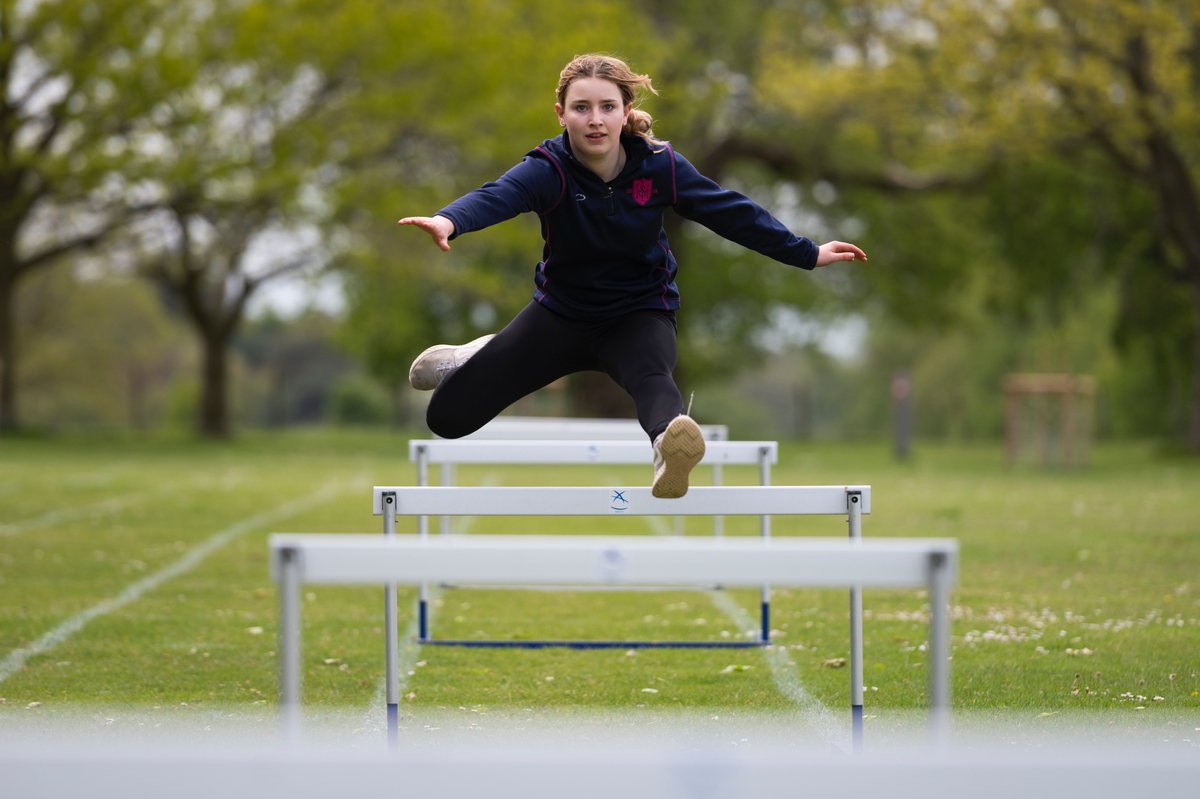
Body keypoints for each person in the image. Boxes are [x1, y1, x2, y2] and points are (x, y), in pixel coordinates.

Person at [399, 53, 866, 498]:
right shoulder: (548, 170)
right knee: (448, 419)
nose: (595, 119)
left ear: (626, 112)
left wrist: (807, 253)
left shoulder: (659, 166)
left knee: (653, 378)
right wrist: (449, 221)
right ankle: (477, 354)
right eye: (581, 108)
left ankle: (668, 447)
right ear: (561, 114)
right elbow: (498, 195)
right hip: (560, 316)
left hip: (639, 312)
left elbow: (732, 213)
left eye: (607, 107)